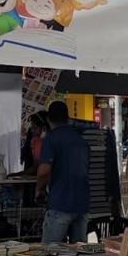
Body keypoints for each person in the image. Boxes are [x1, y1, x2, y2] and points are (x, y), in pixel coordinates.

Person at [36, 101, 89, 243]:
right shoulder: (80, 139)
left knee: (49, 254)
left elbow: (44, 171)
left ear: (48, 119)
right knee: (79, 255)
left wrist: (39, 190)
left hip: (60, 204)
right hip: (82, 204)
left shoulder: (51, 139)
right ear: (67, 118)